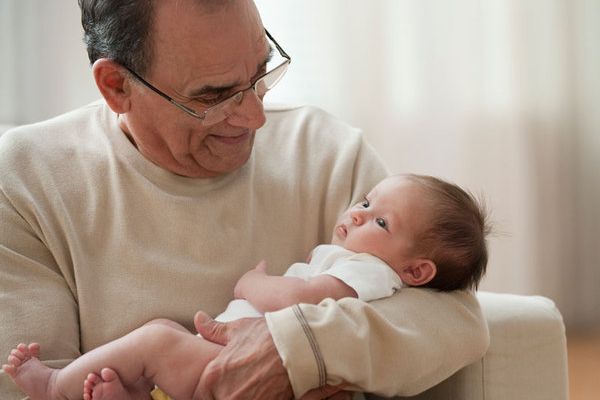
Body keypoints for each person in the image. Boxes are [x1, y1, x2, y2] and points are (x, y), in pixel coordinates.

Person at [0, 1, 490, 399]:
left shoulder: (326, 151)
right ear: (117, 86)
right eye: (216, 94)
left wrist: (295, 353)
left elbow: (456, 321)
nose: (256, 117)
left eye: (260, 73)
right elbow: (30, 385)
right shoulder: (25, 177)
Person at [2, 174, 490, 400]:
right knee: (156, 338)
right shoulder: (367, 263)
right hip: (225, 363)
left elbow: (302, 299)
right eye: (365, 201)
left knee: (156, 339)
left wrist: (253, 283)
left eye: (380, 220)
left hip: (234, 368)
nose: (358, 212)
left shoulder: (370, 271)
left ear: (418, 271)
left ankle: (53, 387)